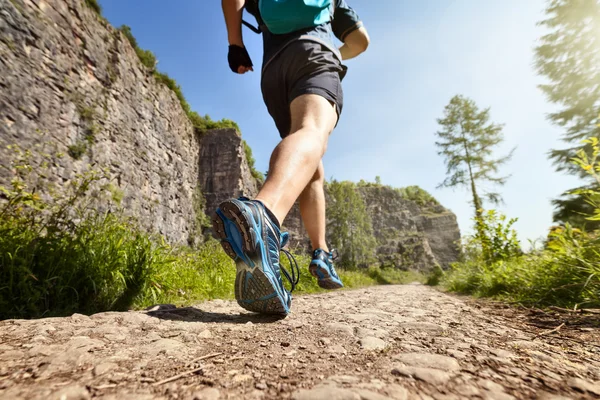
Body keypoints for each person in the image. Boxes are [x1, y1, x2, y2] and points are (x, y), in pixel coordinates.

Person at [213, 0, 370, 315]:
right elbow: (360, 41)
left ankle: (321, 252)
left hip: (273, 71)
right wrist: (336, 52)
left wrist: (236, 44)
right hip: (315, 53)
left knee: (309, 163)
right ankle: (264, 216)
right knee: (312, 131)